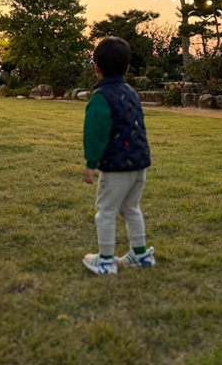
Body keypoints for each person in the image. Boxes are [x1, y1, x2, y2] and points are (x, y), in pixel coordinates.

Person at [82, 36, 156, 274]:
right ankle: (141, 254)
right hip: (139, 163)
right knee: (131, 207)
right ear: (127, 68)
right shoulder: (132, 93)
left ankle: (105, 260)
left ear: (96, 67)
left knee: (106, 211)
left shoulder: (100, 98)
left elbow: (95, 134)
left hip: (117, 167)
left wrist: (90, 164)